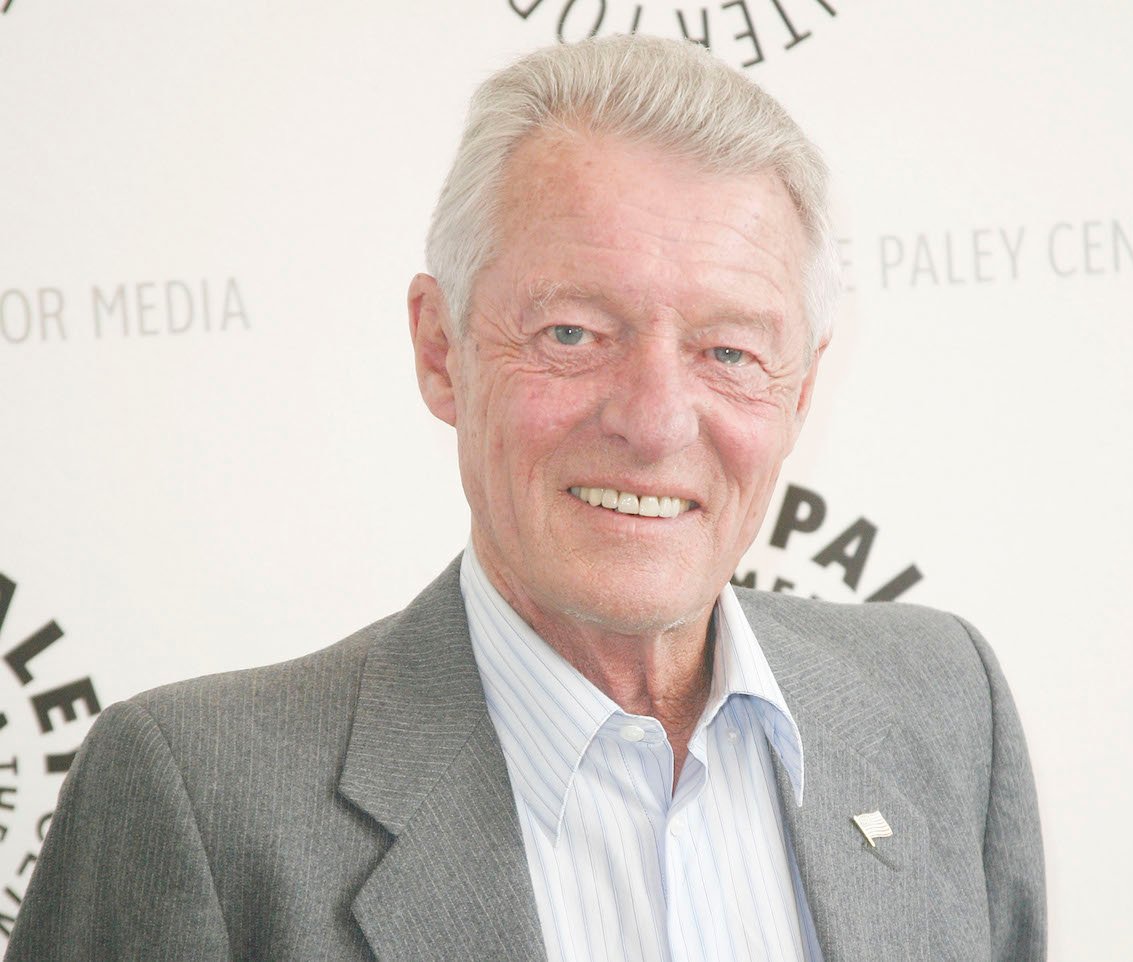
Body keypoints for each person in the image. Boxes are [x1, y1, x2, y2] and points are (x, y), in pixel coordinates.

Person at [6, 35, 1044, 962]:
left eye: (729, 350)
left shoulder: (944, 707)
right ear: (439, 348)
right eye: (574, 334)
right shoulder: (201, 799)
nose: (654, 419)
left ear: (800, 390)